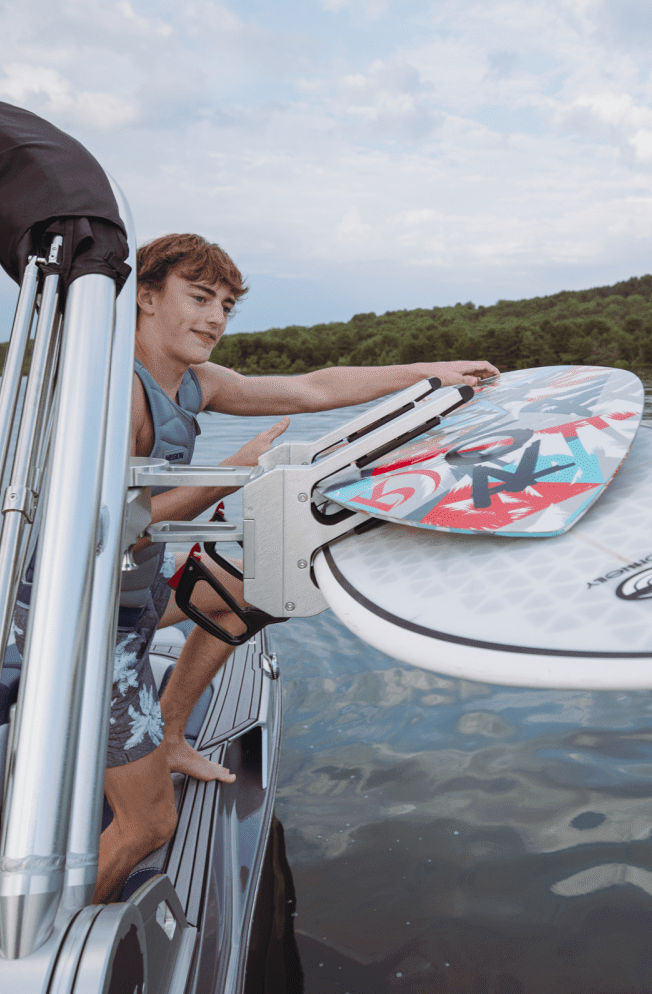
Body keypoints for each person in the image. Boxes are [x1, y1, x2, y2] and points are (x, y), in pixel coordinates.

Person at [91, 232, 497, 901]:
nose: (215, 319)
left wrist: (433, 375)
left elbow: (312, 388)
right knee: (149, 826)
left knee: (255, 594)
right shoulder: (118, 393)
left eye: (226, 305)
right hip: (86, 622)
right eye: (199, 297)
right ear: (146, 297)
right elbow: (109, 529)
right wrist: (234, 472)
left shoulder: (195, 383)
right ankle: (46, 948)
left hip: (132, 598)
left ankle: (172, 734)